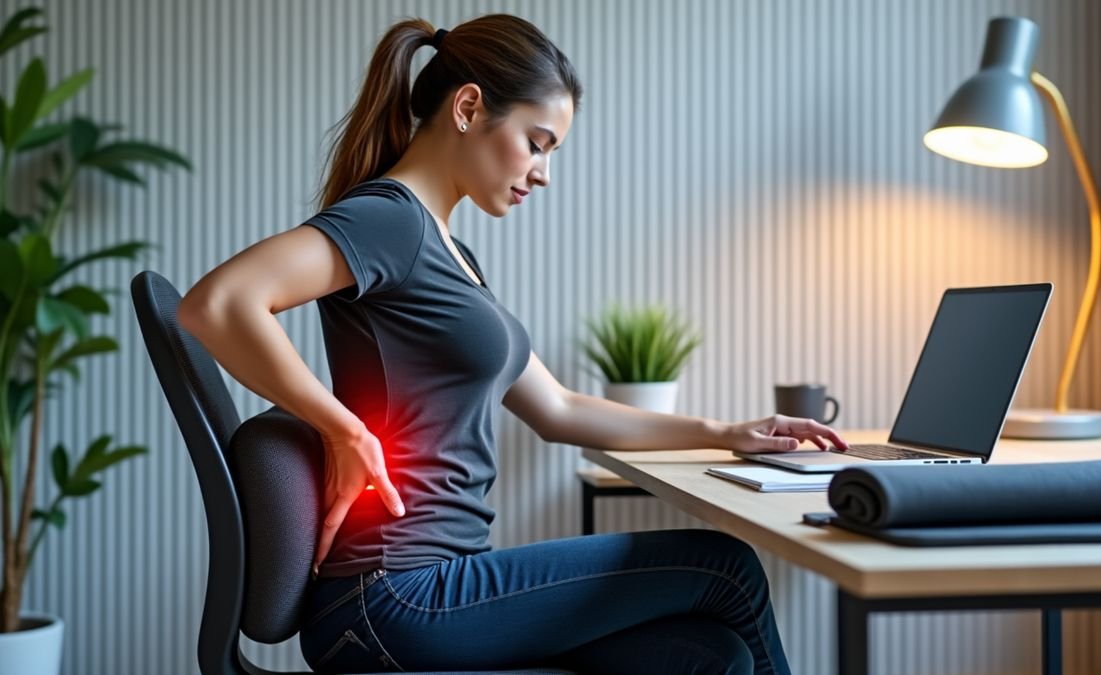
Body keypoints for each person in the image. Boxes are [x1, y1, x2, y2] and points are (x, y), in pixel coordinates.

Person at [178, 13, 848, 675]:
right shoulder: (390, 220)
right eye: (538, 142)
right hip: (392, 595)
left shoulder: (450, 250)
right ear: (469, 107)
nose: (544, 172)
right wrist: (342, 428)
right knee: (724, 566)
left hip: (434, 587)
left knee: (712, 656)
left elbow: (558, 408)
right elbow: (218, 303)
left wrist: (727, 430)